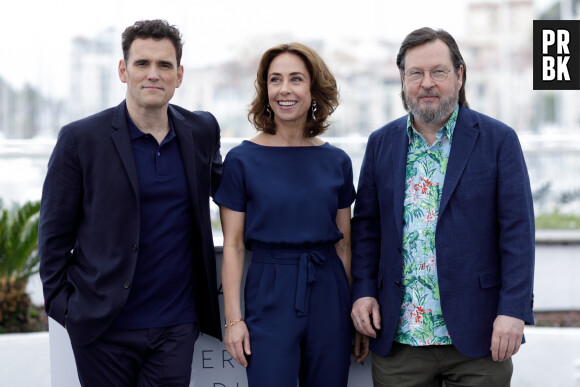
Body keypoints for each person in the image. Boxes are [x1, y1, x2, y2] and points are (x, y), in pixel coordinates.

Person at [38, 19, 223, 386]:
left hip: (176, 326)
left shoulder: (201, 132)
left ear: (179, 74)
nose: (153, 74)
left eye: (164, 65)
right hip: (103, 329)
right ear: (123, 71)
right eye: (142, 64)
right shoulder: (80, 139)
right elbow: (53, 238)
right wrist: (70, 311)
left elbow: (235, 193)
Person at [351, 27, 535, 386]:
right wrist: (362, 292)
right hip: (400, 338)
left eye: (438, 71)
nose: (427, 83)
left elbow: (518, 234)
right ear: (403, 80)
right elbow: (367, 229)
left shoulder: (499, 140)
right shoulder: (380, 144)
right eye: (415, 73)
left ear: (460, 75)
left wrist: (513, 310)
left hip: (481, 336)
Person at [215, 42, 367, 387]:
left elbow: (344, 245)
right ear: (265, 89)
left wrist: (352, 313)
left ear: (313, 89)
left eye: (296, 79)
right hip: (269, 288)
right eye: (275, 80)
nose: (285, 89)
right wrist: (234, 320)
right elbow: (234, 246)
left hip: (329, 289)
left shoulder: (337, 161)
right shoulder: (241, 160)